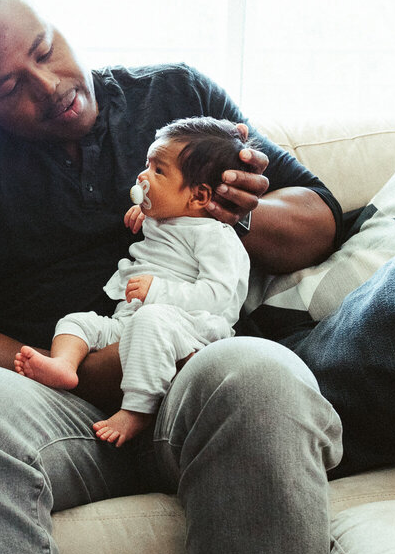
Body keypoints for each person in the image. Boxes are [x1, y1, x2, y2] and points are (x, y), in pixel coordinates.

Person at [0, 0, 344, 554]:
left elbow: (318, 223)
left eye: (45, 50)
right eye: (11, 87)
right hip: (57, 405)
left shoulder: (177, 98)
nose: (49, 86)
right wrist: (88, 371)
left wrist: (238, 213)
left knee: (264, 372)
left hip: (198, 385)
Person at [14, 117, 253, 446]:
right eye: (147, 164)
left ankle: (139, 410)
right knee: (77, 322)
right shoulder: (169, 216)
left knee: (150, 320)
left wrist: (158, 291)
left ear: (199, 197)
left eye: (158, 171)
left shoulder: (215, 236)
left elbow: (219, 296)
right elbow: (168, 225)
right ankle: (64, 365)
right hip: (133, 320)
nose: (143, 176)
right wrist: (150, 211)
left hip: (192, 328)